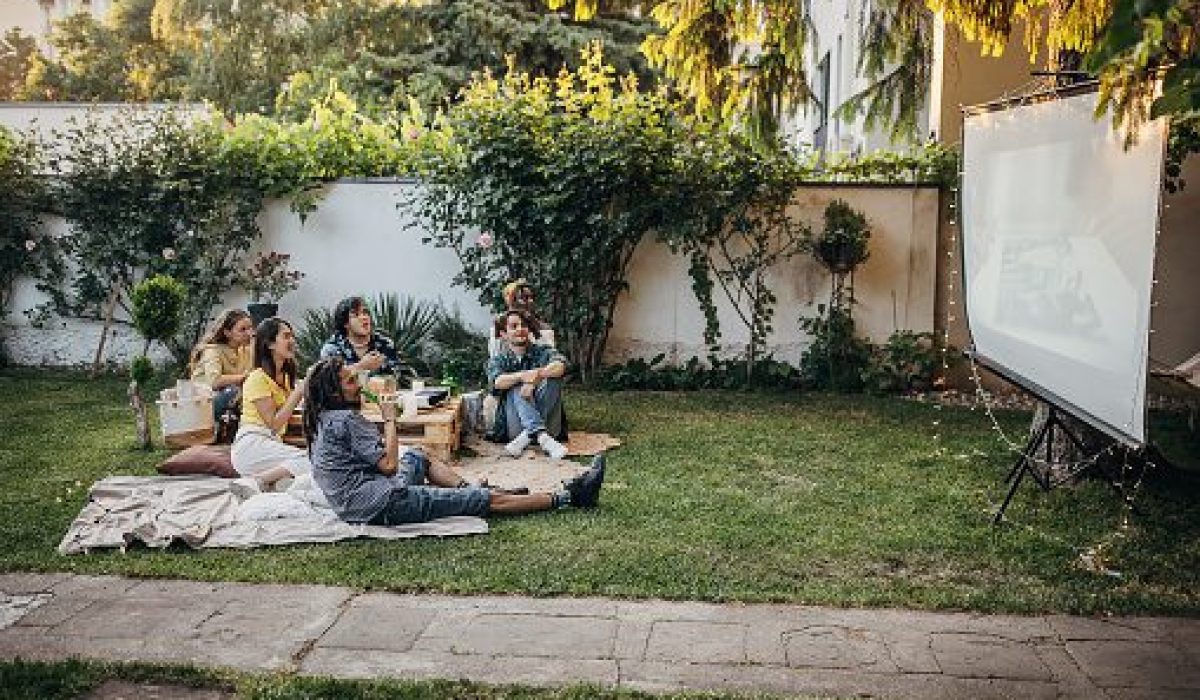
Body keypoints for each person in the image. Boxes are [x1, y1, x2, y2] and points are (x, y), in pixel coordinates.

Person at [303, 357, 605, 525]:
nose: (357, 384)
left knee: (419, 456)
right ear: (333, 392)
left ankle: (471, 490)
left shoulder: (323, 419)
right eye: (349, 381)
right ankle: (569, 497)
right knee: (484, 502)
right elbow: (389, 465)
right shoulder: (346, 420)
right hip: (381, 503)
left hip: (358, 501)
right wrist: (390, 419)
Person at [231, 317, 311, 491]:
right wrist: (299, 392)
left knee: (305, 475)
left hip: (271, 445)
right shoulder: (257, 378)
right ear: (270, 344)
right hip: (252, 445)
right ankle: (256, 481)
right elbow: (274, 424)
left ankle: (274, 483)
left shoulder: (286, 377)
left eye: (293, 336)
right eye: (286, 336)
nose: (292, 341)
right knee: (312, 460)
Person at [487, 309, 568, 459]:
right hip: (514, 425)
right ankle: (542, 438)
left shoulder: (543, 351)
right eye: (514, 326)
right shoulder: (499, 360)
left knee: (553, 377)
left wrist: (536, 376)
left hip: (550, 424)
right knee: (513, 383)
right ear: (504, 334)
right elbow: (497, 382)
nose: (520, 329)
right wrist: (523, 376)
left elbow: (560, 365)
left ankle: (532, 435)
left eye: (523, 325)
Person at [188, 309, 254, 425]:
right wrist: (244, 377)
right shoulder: (212, 351)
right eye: (243, 329)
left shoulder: (245, 350)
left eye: (250, 328)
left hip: (228, 401)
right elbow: (214, 381)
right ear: (227, 332)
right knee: (234, 391)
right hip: (203, 405)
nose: (249, 333)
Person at [319, 296, 409, 379]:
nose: (364, 318)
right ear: (345, 323)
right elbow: (329, 381)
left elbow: (399, 376)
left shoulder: (385, 343)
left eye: (365, 313)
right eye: (356, 315)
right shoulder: (332, 348)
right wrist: (361, 366)